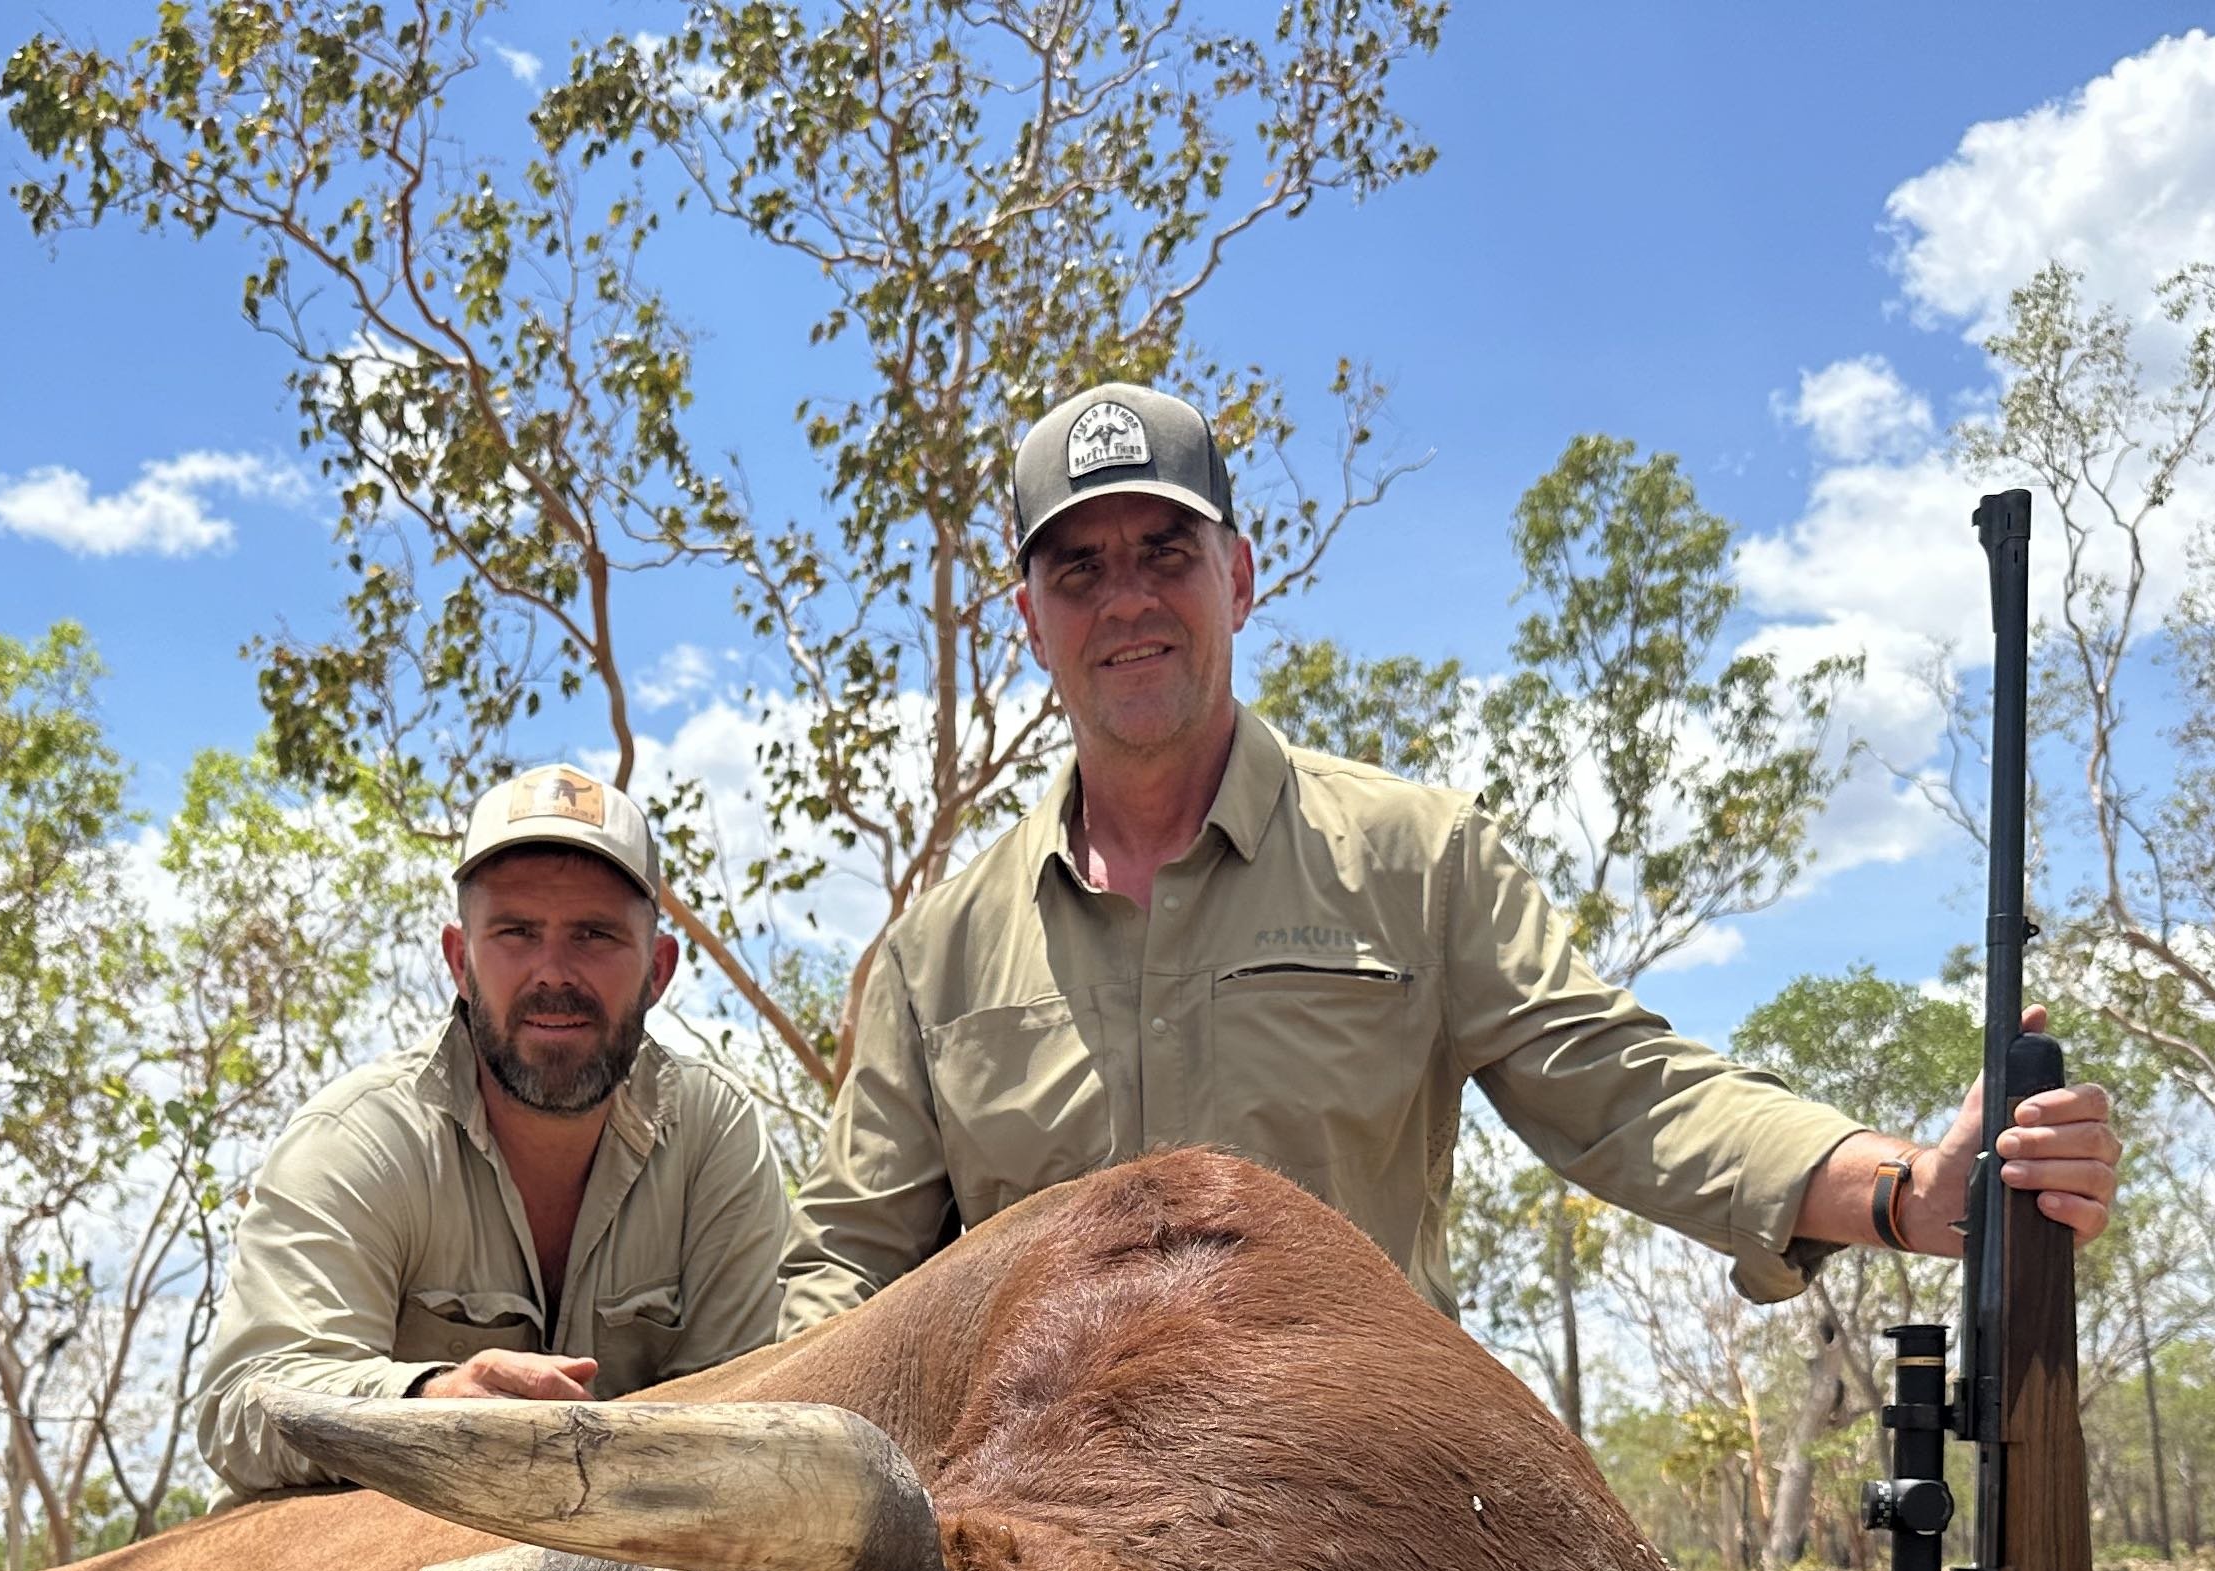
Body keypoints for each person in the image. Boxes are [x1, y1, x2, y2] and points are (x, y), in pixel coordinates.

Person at [778, 382, 2124, 1338]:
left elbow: (1623, 1090)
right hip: (1028, 1526)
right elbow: (846, 1260)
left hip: (1347, 1496)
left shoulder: (1417, 861)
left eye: (1164, 553)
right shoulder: (936, 951)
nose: (1125, 597)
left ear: (1239, 577)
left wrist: (1897, 1190)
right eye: (1078, 570)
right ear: (1029, 620)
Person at [193, 765, 789, 1500]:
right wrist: (433, 1402)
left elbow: (742, 1416)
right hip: (347, 1569)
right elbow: (243, 1404)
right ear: (459, 963)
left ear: (658, 970)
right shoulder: (358, 1139)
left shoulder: (714, 1135)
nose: (554, 971)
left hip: (624, 1563)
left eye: (595, 935)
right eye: (515, 933)